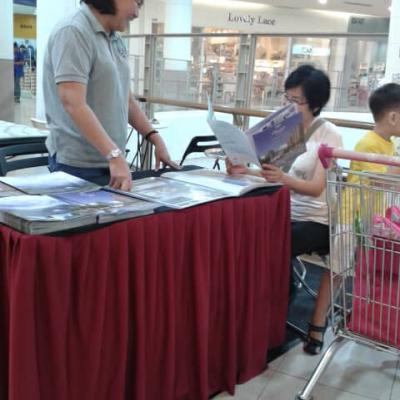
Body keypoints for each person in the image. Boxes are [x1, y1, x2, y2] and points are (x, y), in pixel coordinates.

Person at [226, 65, 343, 355]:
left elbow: (316, 188)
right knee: (244, 237)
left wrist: (283, 179)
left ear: (314, 103)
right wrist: (245, 170)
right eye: (286, 99)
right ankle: (258, 313)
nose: (288, 107)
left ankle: (272, 313)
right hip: (284, 211)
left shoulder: (328, 135)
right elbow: (271, 173)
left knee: (270, 247)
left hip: (316, 219)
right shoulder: (284, 130)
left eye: (295, 101)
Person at [43, 0, 178, 190]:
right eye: (136, 3)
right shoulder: (73, 30)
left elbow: (126, 100)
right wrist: (113, 155)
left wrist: (155, 138)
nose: (136, 13)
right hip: (79, 165)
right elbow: (73, 102)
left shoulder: (114, 38)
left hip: (110, 160)